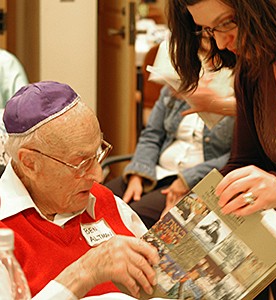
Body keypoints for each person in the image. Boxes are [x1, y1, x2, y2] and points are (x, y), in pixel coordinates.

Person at [167, 0, 276, 299]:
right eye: (207, 30)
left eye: (226, 23)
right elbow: (244, 160)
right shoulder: (253, 69)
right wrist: (198, 216)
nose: (220, 42)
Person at [0, 81, 159, 299]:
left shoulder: (103, 201)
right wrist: (86, 271)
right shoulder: (5, 235)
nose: (98, 176)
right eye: (81, 163)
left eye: (97, 154)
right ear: (29, 163)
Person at [106, 80, 235, 229]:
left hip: (197, 178)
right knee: (102, 199)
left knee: (136, 216)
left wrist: (187, 180)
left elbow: (234, 157)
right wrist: (139, 173)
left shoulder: (237, 99)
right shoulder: (175, 89)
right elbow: (152, 135)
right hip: (155, 170)